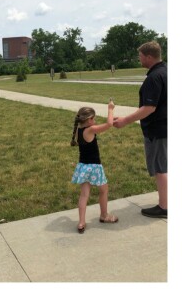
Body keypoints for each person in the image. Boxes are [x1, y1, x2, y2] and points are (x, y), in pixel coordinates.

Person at [114, 41, 167, 218]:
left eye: (141, 56)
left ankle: (164, 207)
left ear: (149, 57)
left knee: (161, 168)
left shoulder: (154, 77)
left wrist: (124, 121)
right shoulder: (167, 72)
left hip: (158, 130)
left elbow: (149, 108)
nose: (139, 58)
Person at [70, 103, 119, 233]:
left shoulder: (80, 130)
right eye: (94, 119)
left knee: (84, 194)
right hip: (94, 167)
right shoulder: (90, 130)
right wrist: (110, 109)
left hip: (83, 167)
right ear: (89, 119)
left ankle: (81, 222)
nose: (95, 121)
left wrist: (110, 120)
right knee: (104, 190)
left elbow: (104, 124)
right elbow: (108, 125)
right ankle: (104, 215)